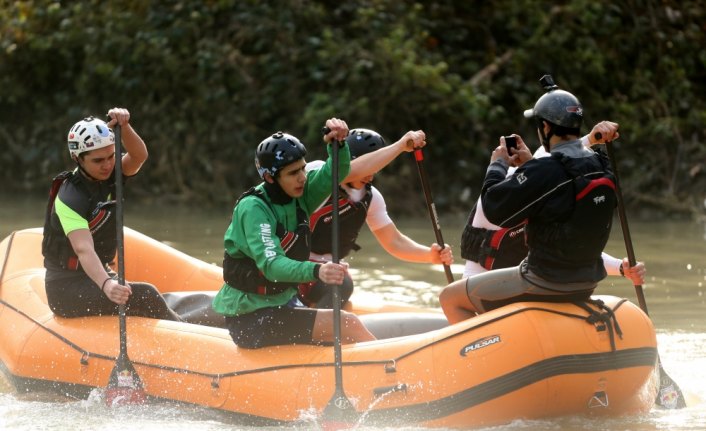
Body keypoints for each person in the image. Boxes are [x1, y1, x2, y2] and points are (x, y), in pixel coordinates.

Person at [440, 75, 622, 323]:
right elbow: (563, 187)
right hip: (587, 281)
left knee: (449, 298)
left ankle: (488, 358)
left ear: (545, 128)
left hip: (543, 281)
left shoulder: (545, 171)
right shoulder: (601, 164)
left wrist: (497, 166)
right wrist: (531, 165)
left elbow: (495, 207)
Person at [212, 118, 377, 349]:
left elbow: (335, 173)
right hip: (251, 318)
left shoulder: (301, 195)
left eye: (302, 168)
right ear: (270, 177)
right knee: (347, 324)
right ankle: (399, 380)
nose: (302, 177)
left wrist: (338, 144)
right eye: (292, 173)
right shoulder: (254, 208)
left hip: (284, 303)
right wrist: (318, 270)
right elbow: (272, 265)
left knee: (336, 336)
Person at [459, 121, 646, 284]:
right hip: (484, 280)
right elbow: (553, 168)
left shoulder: (548, 199)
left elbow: (571, 248)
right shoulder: (495, 205)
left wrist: (622, 268)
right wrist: (589, 139)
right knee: (451, 297)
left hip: (528, 281)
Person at [42, 109, 181, 321]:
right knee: (147, 294)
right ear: (77, 158)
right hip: (66, 287)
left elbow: (139, 156)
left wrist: (124, 127)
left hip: (99, 275)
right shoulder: (70, 197)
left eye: (111, 156)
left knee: (144, 295)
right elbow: (83, 249)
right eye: (98, 161)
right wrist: (107, 285)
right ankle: (181, 333)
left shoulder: (112, 174)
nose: (107, 165)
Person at [299, 128, 454, 308]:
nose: (371, 175)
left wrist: (430, 256)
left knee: (341, 282)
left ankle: (319, 319)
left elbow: (394, 242)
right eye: (370, 167)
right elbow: (345, 171)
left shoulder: (371, 198)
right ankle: (313, 326)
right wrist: (400, 146)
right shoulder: (316, 172)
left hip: (326, 274)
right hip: (292, 266)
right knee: (341, 282)